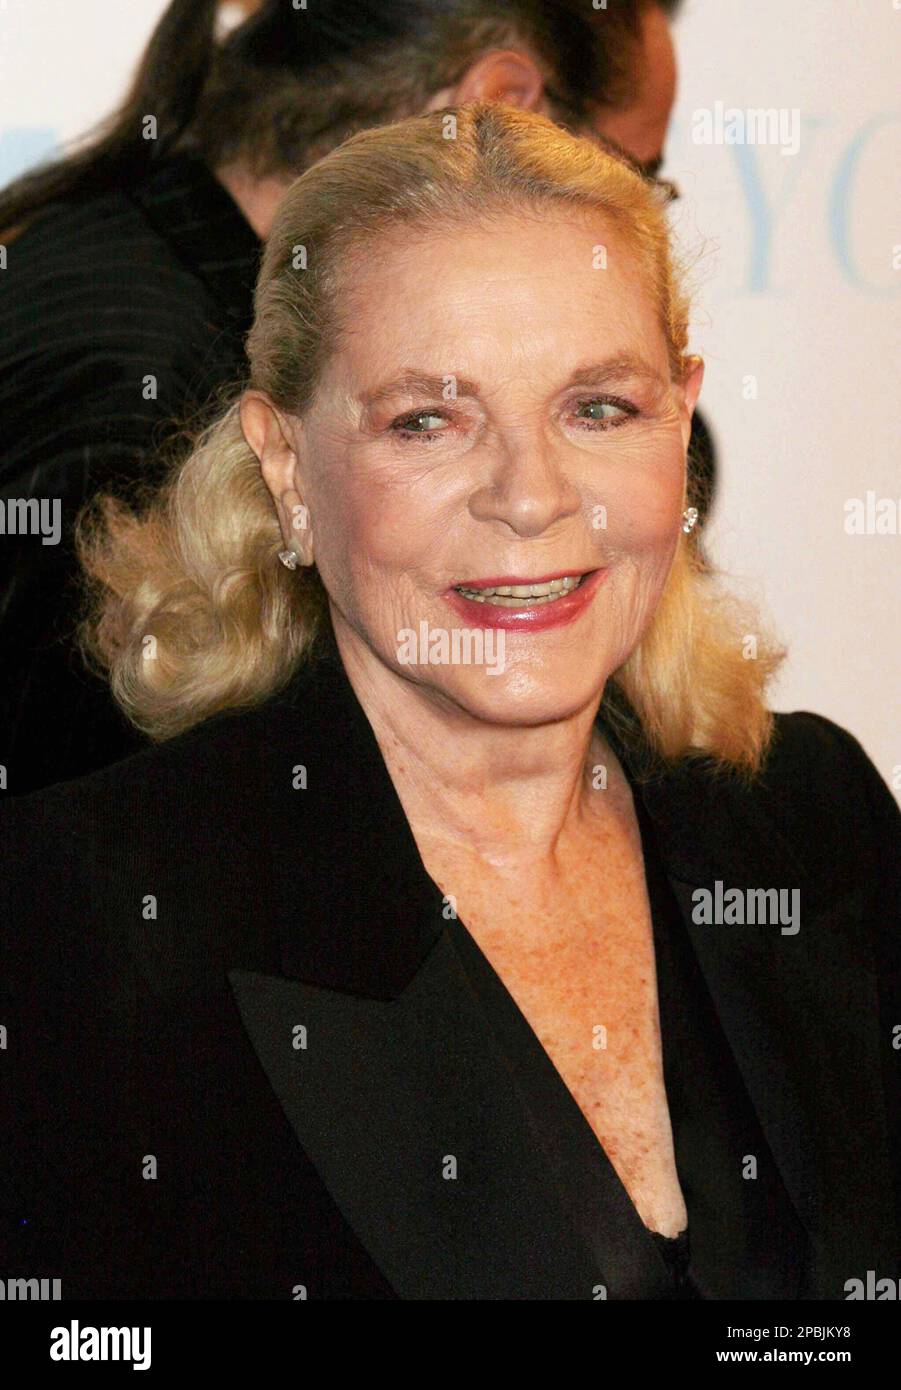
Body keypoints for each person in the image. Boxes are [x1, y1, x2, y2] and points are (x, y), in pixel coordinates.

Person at [1, 105, 896, 1300]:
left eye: (598, 407)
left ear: (680, 423)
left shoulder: (816, 818)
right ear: (285, 465)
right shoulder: (81, 918)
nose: (530, 496)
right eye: (427, 420)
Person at [0, 0, 715, 798]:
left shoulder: (128, 264)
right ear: (497, 107)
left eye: (597, 410)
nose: (533, 500)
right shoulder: (132, 399)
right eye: (632, 173)